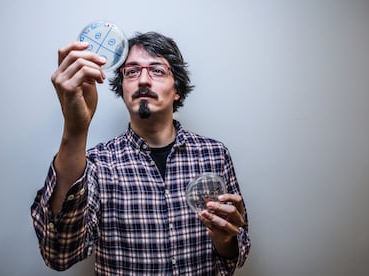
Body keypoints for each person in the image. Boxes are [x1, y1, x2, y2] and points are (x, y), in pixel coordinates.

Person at [31, 31, 250, 275]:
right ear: (122, 87)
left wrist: (225, 240)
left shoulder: (215, 155)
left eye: (157, 70)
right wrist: (75, 127)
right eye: (132, 71)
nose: (143, 80)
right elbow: (58, 254)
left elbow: (238, 250)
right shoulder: (96, 164)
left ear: (176, 89)